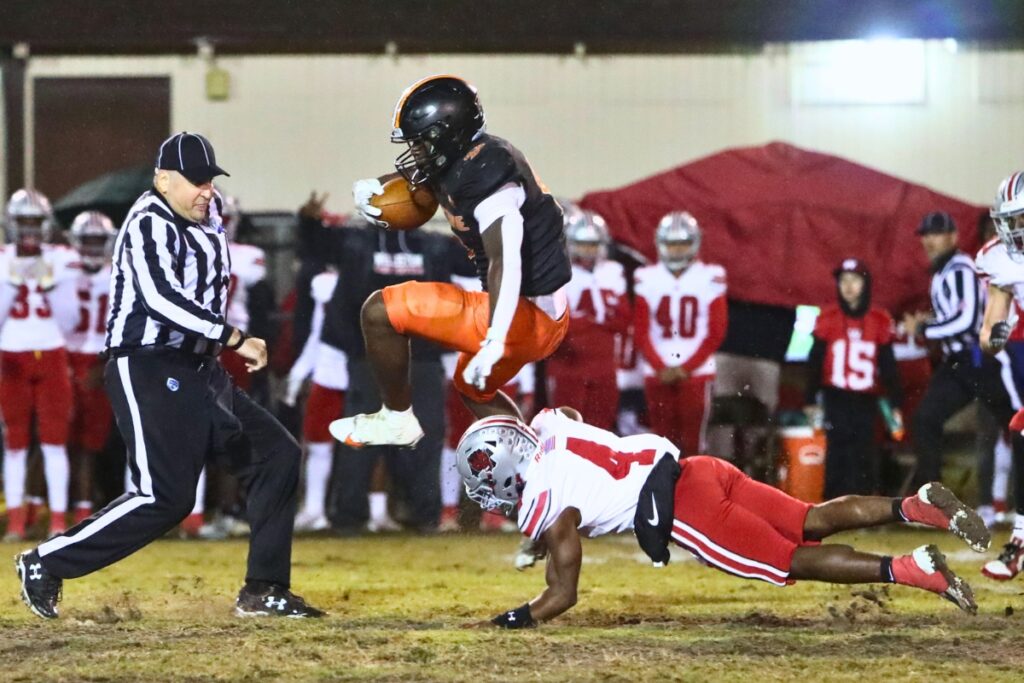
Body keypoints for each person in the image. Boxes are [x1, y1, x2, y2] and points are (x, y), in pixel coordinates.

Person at [13, 132, 323, 619]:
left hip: (199, 366)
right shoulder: (146, 221)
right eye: (196, 181)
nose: (207, 190)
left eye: (210, 181)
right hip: (149, 364)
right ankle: (45, 561)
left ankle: (264, 589)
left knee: (277, 455)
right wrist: (235, 337)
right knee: (165, 496)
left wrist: (218, 346)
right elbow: (161, 299)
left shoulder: (207, 217)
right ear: (162, 180)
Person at [455, 408, 989, 628]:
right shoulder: (550, 425)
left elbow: (562, 594)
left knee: (789, 561)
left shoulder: (549, 506)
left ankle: (912, 568)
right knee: (810, 517)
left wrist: (509, 620)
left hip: (687, 510)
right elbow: (563, 421)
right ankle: (915, 507)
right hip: (699, 468)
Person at [330, 74, 571, 448]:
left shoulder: (489, 177)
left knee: (380, 312)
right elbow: (425, 184)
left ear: (448, 134)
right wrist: (375, 188)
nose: (416, 152)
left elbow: (505, 261)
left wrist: (494, 339)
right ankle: (537, 467)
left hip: (522, 317)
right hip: (540, 316)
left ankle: (396, 420)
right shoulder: (470, 158)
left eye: (422, 142)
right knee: (473, 389)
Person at [906, 211, 1024, 499]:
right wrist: (931, 323)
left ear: (953, 236)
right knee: (926, 418)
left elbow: (968, 320)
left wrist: (924, 328)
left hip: (980, 360)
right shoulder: (945, 271)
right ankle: (933, 501)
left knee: (1017, 424)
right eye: (926, 235)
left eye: (936, 233)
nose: (929, 241)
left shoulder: (960, 268)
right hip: (959, 362)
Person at [0, 188, 81, 540]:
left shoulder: (62, 257)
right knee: (15, 442)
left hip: (50, 351)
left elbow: (70, 318)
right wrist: (12, 280)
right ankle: (17, 522)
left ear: (46, 224)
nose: (30, 228)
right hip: (11, 353)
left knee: (53, 441)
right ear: (12, 223)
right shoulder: (2, 258)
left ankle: (59, 521)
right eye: (24, 221)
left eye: (35, 221)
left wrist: (47, 284)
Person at [803, 258, 903, 498]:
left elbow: (887, 365)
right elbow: (815, 361)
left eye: (854, 280)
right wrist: (809, 398)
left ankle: (862, 506)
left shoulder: (879, 319)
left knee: (863, 452)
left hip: (865, 397)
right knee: (837, 450)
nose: (848, 286)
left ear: (865, 284)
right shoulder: (828, 317)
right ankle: (833, 505)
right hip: (835, 394)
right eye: (843, 281)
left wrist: (896, 402)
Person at [633, 211, 727, 455]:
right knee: (661, 441)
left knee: (694, 442)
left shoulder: (710, 276)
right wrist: (660, 365)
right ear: (660, 244)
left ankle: (693, 490)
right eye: (671, 243)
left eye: (683, 243)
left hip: (696, 371)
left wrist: (686, 367)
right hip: (658, 369)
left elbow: (716, 330)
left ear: (694, 243)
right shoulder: (646, 276)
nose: (676, 250)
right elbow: (641, 329)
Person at [974, 171, 1024, 580]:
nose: (1015, 230)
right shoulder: (1000, 258)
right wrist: (997, 336)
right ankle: (1022, 539)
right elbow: (989, 333)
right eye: (1012, 220)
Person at [546, 210, 630, 432]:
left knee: (601, 428)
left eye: (592, 245)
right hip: (568, 362)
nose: (588, 251)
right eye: (582, 244)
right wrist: (594, 325)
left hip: (603, 362)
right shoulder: (558, 271)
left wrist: (584, 325)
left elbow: (622, 320)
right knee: (566, 428)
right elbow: (552, 322)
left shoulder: (614, 271)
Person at [65, 211, 118, 526]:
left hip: (99, 357)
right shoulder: (62, 268)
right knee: (55, 441)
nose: (93, 247)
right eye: (88, 240)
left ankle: (82, 509)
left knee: (89, 443)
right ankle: (46, 508)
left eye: (99, 240)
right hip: (63, 354)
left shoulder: (117, 275)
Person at [285, 265, 345, 532]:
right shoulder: (326, 283)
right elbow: (317, 335)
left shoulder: (344, 284)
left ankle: (359, 510)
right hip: (331, 373)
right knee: (318, 444)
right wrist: (298, 374)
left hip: (354, 372)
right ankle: (315, 508)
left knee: (366, 450)